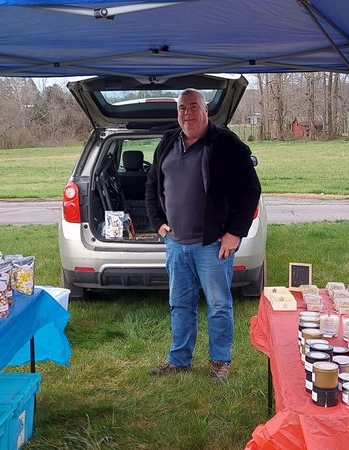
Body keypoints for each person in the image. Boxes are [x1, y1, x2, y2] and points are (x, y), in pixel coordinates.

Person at [144, 88, 261, 381]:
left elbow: (250, 190)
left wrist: (234, 232)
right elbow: (152, 185)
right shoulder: (168, 142)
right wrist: (158, 222)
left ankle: (220, 361)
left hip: (212, 244)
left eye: (194, 107)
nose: (188, 113)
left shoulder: (226, 143)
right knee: (179, 304)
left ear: (206, 110)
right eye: (182, 108)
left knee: (218, 305)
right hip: (176, 243)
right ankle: (178, 359)